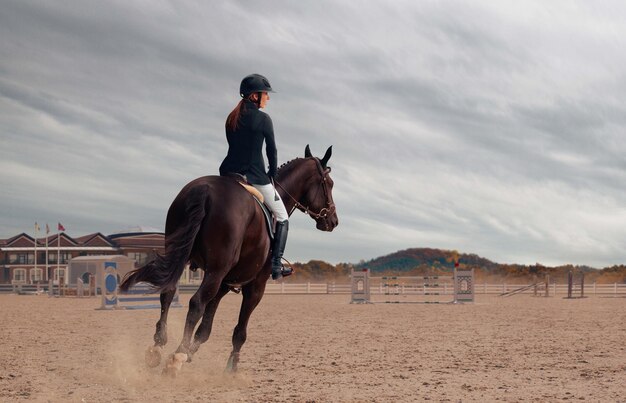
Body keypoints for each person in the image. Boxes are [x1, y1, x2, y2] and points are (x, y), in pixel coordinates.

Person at [219, 74, 293, 280]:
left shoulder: (231, 118)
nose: (267, 98)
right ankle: (276, 265)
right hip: (254, 177)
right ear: (254, 96)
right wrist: (272, 172)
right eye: (265, 94)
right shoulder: (263, 119)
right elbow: (272, 151)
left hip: (228, 174)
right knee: (283, 215)